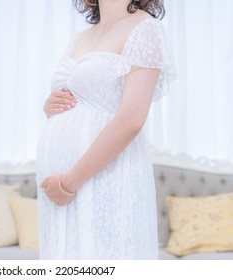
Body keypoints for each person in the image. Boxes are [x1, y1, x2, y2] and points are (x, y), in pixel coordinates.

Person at [35, 0, 176, 259]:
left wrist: (69, 182)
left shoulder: (145, 29)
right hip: (61, 190)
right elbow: (81, 101)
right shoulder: (81, 37)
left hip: (100, 179)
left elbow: (132, 119)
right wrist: (50, 107)